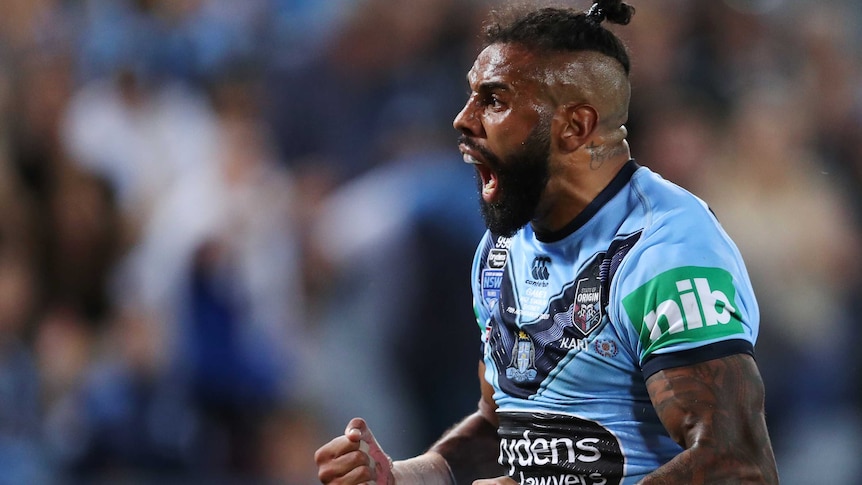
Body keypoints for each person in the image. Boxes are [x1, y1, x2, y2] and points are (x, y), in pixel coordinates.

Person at [314, 1, 780, 483]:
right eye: (471, 96)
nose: (462, 119)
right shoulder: (500, 251)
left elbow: (739, 465)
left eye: (494, 101)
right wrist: (405, 476)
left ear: (575, 128)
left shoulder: (666, 252)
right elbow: (512, 433)